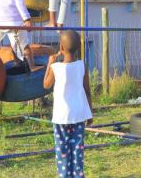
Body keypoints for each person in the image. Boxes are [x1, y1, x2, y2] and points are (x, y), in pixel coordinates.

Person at [43, 30, 93, 178]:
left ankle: (64, 175)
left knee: (62, 151)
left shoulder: (56, 67)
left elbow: (46, 84)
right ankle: (78, 175)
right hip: (78, 116)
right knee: (77, 151)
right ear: (78, 48)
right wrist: (90, 113)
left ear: (61, 47)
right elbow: (88, 91)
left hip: (61, 118)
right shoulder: (81, 66)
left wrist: (49, 64)